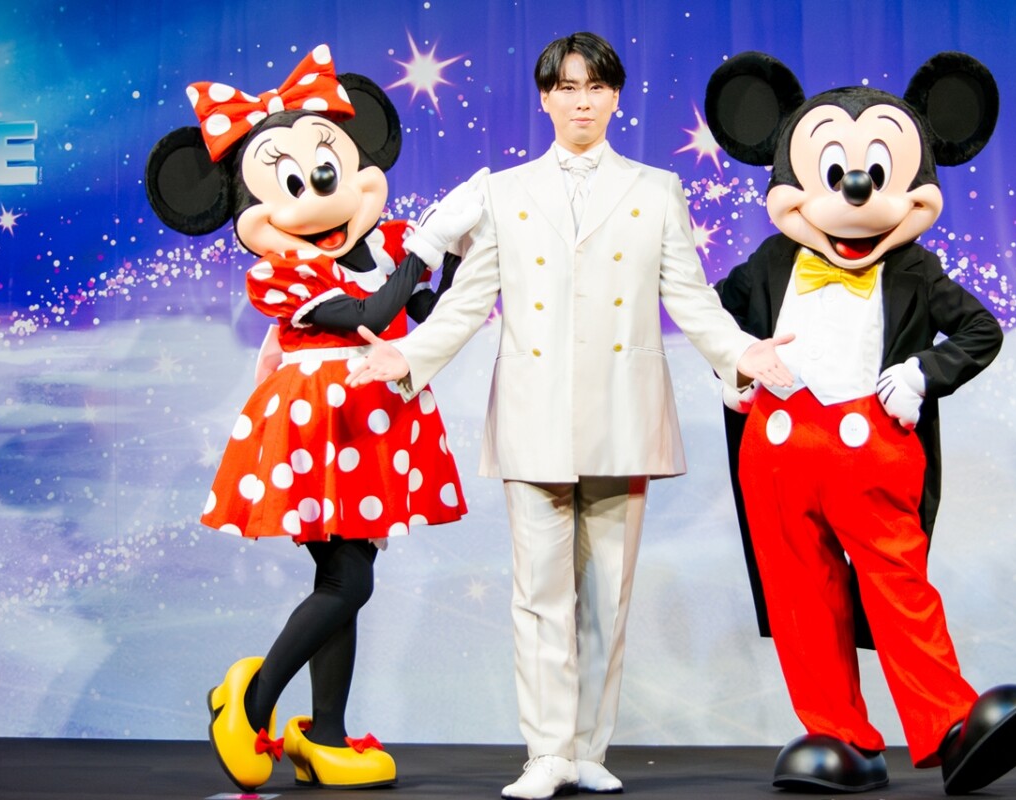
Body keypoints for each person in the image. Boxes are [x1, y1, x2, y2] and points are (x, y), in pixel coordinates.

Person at [346, 32, 793, 800]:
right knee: (539, 594)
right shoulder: (504, 193)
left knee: (608, 597)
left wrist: (741, 353)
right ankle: (546, 752)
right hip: (535, 414)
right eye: (567, 87)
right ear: (545, 98)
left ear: (615, 97)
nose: (581, 101)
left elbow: (689, 299)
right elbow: (468, 301)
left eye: (595, 87)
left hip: (624, 411)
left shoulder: (656, 189)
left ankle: (589, 748)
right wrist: (410, 357)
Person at [145, 46, 483, 792]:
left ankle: (325, 734)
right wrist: (426, 247)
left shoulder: (384, 245)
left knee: (347, 576)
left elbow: (422, 315)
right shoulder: (283, 273)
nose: (317, 194)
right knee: (347, 582)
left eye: (325, 173)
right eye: (292, 183)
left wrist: (459, 253)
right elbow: (369, 314)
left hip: (377, 417)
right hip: (319, 426)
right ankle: (249, 701)